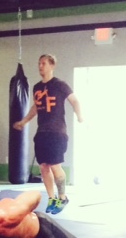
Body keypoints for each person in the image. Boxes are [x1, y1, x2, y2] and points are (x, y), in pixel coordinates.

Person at [13, 54, 82, 215]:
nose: (40, 66)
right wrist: (24, 122)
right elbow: (36, 107)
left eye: (43, 63)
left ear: (52, 66)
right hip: (42, 132)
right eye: (39, 63)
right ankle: (52, 199)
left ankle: (63, 197)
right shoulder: (37, 87)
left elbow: (75, 101)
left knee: (55, 165)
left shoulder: (60, 85)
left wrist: (79, 116)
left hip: (57, 132)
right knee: (44, 167)